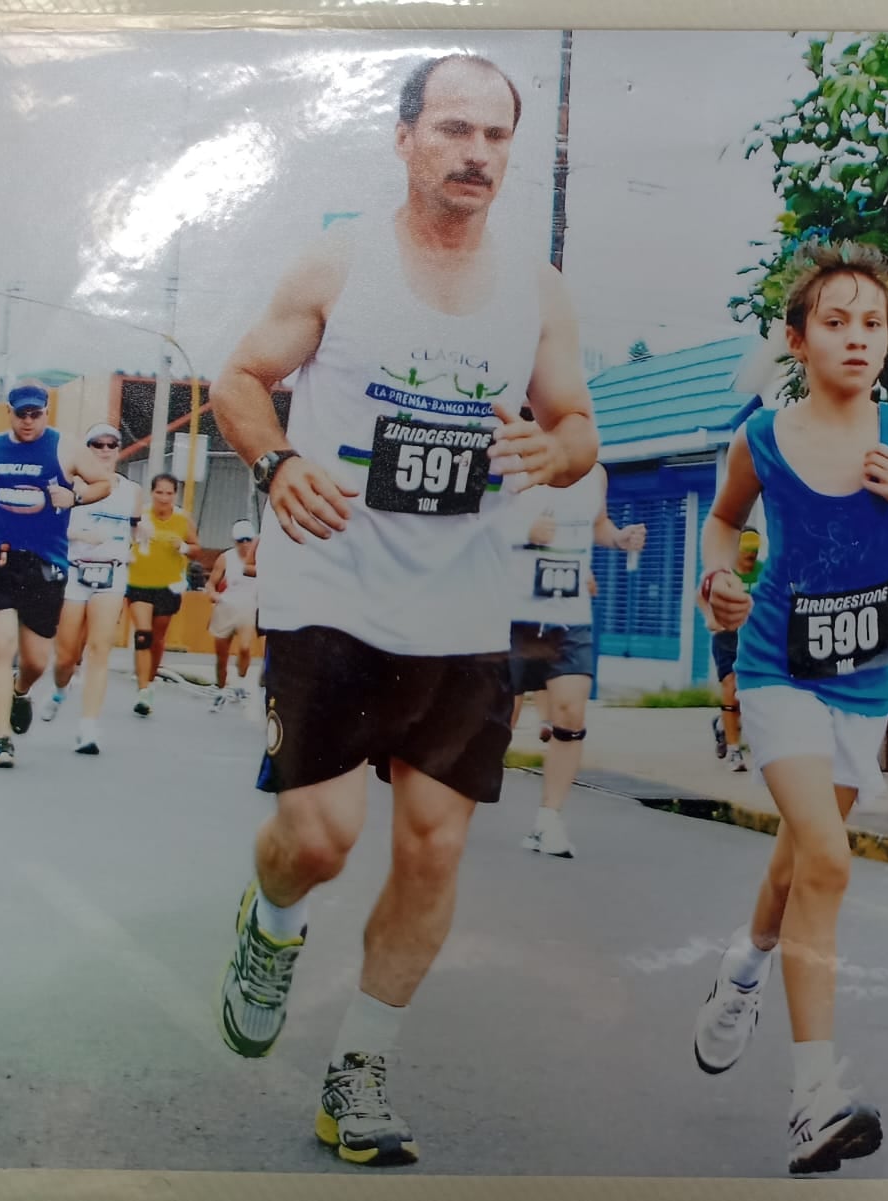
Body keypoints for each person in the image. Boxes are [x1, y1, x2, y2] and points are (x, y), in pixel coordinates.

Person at [207, 53, 597, 1169]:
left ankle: (360, 1071)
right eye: (455, 130)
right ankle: (271, 922)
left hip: (465, 605)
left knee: (432, 850)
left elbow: (577, 428)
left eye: (496, 137)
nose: (476, 153)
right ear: (405, 137)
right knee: (320, 841)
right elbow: (241, 379)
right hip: (330, 585)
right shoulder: (340, 262)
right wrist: (279, 466)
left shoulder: (537, 288)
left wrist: (551, 447)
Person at [691, 241, 888, 1175]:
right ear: (798, 338)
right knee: (832, 861)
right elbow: (724, 522)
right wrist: (718, 577)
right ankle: (815, 1097)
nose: (858, 338)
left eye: (874, 323)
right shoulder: (761, 437)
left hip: (865, 676)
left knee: (803, 861)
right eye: (837, 322)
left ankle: (744, 966)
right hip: (776, 668)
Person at [0, 382, 113, 767]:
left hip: (46, 566)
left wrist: (74, 497)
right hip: (0, 559)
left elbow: (104, 482)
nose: (28, 422)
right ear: (9, 413)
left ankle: (20, 690)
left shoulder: (66, 447)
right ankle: (0, 740)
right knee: (0, 645)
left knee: (36, 662)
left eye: (35, 414)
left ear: (45, 413)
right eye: (21, 414)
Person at [508, 459, 645, 857]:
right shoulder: (513, 464)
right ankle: (451, 807)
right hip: (512, 610)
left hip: (569, 614)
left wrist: (619, 538)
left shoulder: (594, 472)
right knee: (499, 720)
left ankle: (548, 820)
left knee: (570, 714)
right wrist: (523, 533)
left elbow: (596, 524)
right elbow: (475, 523)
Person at [37, 423, 143, 754]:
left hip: (111, 575)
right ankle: (58, 690)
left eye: (112, 444)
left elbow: (136, 529)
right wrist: (79, 536)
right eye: (97, 443)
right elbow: (49, 528)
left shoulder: (131, 491)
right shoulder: (71, 487)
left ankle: (88, 726)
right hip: (74, 572)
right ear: (87, 448)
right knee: (67, 655)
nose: (105, 449)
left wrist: (142, 543)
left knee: (99, 650)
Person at [124, 472, 200, 717]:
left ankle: (151, 680)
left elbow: (197, 549)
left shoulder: (182, 519)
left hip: (168, 586)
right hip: (139, 582)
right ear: (152, 493)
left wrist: (184, 546)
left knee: (157, 637)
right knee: (143, 635)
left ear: (175, 495)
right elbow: (125, 539)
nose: (164, 498)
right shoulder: (141, 516)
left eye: (169, 493)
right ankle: (142, 690)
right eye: (159, 492)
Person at [700, 528, 763, 771]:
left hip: (755, 639)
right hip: (727, 636)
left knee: (748, 697)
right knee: (731, 684)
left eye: (754, 549)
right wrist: (710, 617)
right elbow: (701, 596)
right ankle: (734, 752)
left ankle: (721, 726)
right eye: (746, 548)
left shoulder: (764, 571)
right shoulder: (725, 572)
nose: (751, 554)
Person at [205, 518, 261, 711]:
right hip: (226, 606)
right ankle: (221, 689)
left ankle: (241, 682)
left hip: (248, 607)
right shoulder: (226, 558)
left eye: (248, 540)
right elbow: (212, 582)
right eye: (240, 540)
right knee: (222, 655)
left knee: (245, 648)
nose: (245, 544)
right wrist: (212, 594)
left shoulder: (261, 557)